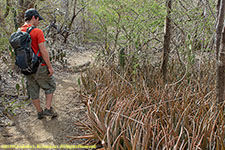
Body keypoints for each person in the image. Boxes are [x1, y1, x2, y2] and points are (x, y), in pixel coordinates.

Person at [20, 8, 57, 119]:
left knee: (33, 89)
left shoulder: (18, 31)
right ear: (33, 18)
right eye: (38, 19)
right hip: (39, 66)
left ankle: (39, 112)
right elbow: (43, 51)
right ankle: (48, 109)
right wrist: (49, 67)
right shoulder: (37, 31)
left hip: (25, 67)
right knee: (50, 85)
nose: (38, 21)